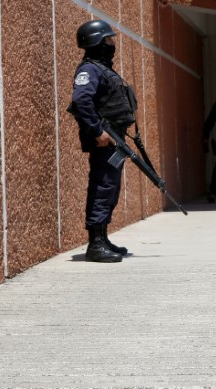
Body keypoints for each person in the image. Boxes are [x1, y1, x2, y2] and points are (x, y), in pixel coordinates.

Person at [68, 19, 138, 263]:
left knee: (111, 188)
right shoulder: (89, 70)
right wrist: (98, 131)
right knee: (102, 187)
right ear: (95, 42)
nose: (111, 44)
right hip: (104, 140)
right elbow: (81, 101)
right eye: (107, 40)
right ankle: (95, 244)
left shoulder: (103, 68)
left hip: (114, 138)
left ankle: (103, 238)